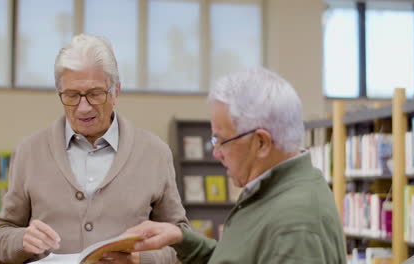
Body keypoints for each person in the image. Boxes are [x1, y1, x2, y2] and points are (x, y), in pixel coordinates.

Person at [0, 34, 187, 264]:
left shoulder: (155, 153)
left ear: (116, 92)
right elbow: (2, 233)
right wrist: (21, 239)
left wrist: (139, 258)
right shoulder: (29, 152)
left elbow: (180, 240)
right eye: (72, 95)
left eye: (95, 94)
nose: (83, 108)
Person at [124, 67, 347, 263]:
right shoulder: (271, 191)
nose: (216, 152)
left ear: (261, 143)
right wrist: (181, 238)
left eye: (222, 140)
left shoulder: (295, 225)